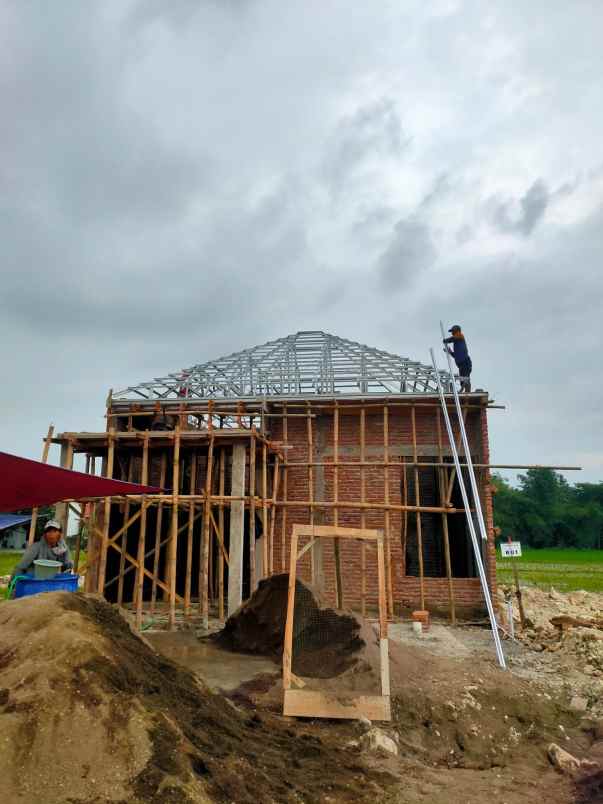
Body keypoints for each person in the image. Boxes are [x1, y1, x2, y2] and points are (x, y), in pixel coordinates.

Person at [443, 325, 472, 392]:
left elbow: (453, 338)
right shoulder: (457, 343)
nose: (452, 333)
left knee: (465, 379)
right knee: (462, 380)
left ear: (457, 331)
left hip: (465, 362)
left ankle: (466, 392)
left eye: (453, 331)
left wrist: (446, 340)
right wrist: (450, 352)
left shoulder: (460, 336)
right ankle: (463, 391)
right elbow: (456, 356)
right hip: (461, 365)